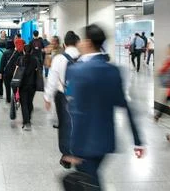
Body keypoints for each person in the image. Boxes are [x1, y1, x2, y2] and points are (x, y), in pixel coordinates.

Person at [64, 24, 143, 189]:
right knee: (92, 180)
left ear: (87, 42)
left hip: (84, 142)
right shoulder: (113, 70)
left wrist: (72, 147)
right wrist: (137, 141)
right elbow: (125, 105)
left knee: (90, 183)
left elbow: (74, 110)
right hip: (106, 140)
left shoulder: (76, 70)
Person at [44, 31, 80, 160]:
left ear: (64, 44)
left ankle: (66, 153)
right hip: (80, 95)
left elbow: (52, 79)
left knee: (65, 123)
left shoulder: (59, 58)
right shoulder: (83, 58)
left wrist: (47, 97)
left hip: (63, 96)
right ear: (77, 43)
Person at [15, 44, 41, 131]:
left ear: (23, 51)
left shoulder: (20, 59)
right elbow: (38, 71)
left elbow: (16, 71)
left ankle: (26, 122)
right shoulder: (35, 60)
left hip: (22, 84)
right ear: (32, 51)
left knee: (24, 103)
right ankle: (28, 118)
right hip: (32, 84)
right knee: (29, 102)